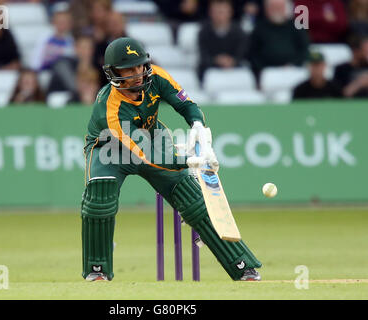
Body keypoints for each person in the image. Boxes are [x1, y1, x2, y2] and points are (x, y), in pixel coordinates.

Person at [81, 37, 262, 282]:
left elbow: (185, 103)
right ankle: (97, 270)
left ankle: (243, 268)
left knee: (193, 201)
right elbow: (146, 156)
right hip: (108, 149)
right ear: (113, 72)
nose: (137, 74)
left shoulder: (156, 76)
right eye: (128, 69)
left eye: (139, 66)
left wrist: (197, 124)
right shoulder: (109, 108)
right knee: (100, 199)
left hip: (153, 136)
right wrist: (190, 161)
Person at [247, 0, 310, 82]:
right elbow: (253, 53)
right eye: (273, 7)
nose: (276, 10)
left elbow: (304, 50)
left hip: (294, 71)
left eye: (279, 7)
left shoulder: (297, 26)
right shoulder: (259, 28)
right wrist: (265, 67)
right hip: (267, 73)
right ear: (267, 9)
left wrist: (293, 64)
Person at [197, 0, 248, 81]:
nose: (219, 15)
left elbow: (242, 54)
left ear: (230, 13)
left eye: (222, 12)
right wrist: (217, 60)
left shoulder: (239, 32)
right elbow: (203, 56)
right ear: (210, 13)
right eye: (216, 12)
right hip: (209, 72)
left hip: (235, 71)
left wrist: (232, 61)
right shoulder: (204, 32)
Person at [30, 2, 74, 71]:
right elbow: (36, 57)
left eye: (64, 22)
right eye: (59, 22)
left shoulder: (72, 40)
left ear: (69, 24)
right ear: (53, 22)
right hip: (44, 71)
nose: (62, 25)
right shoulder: (44, 37)